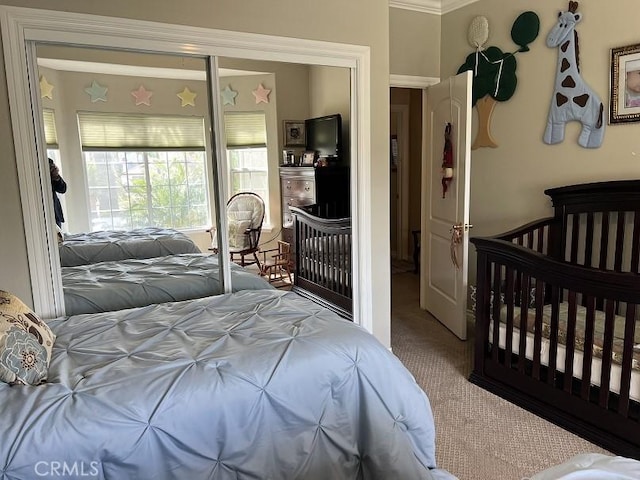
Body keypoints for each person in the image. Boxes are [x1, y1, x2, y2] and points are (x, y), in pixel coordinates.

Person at [49, 158, 67, 228]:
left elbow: (63, 189)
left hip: (55, 213)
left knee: (58, 237)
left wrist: (56, 176)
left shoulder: (48, 162)